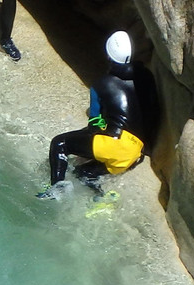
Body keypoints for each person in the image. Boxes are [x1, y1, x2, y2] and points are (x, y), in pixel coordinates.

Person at [40, 31, 159, 197]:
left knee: (59, 143)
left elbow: (94, 124)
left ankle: (55, 190)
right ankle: (101, 197)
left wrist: (82, 138)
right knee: (82, 173)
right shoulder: (146, 78)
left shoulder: (101, 85)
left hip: (114, 145)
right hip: (134, 153)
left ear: (109, 56)